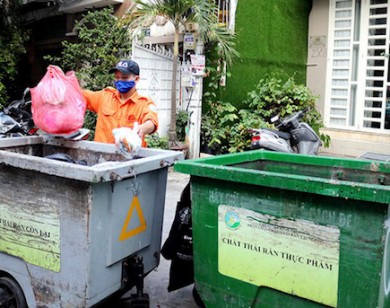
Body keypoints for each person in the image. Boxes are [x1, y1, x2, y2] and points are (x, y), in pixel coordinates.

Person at [82, 59, 158, 147]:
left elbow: (152, 122)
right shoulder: (104, 97)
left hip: (129, 157)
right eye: (117, 77)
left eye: (124, 78)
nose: (120, 81)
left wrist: (142, 128)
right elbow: (81, 95)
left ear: (136, 79)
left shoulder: (143, 103)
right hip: (101, 156)